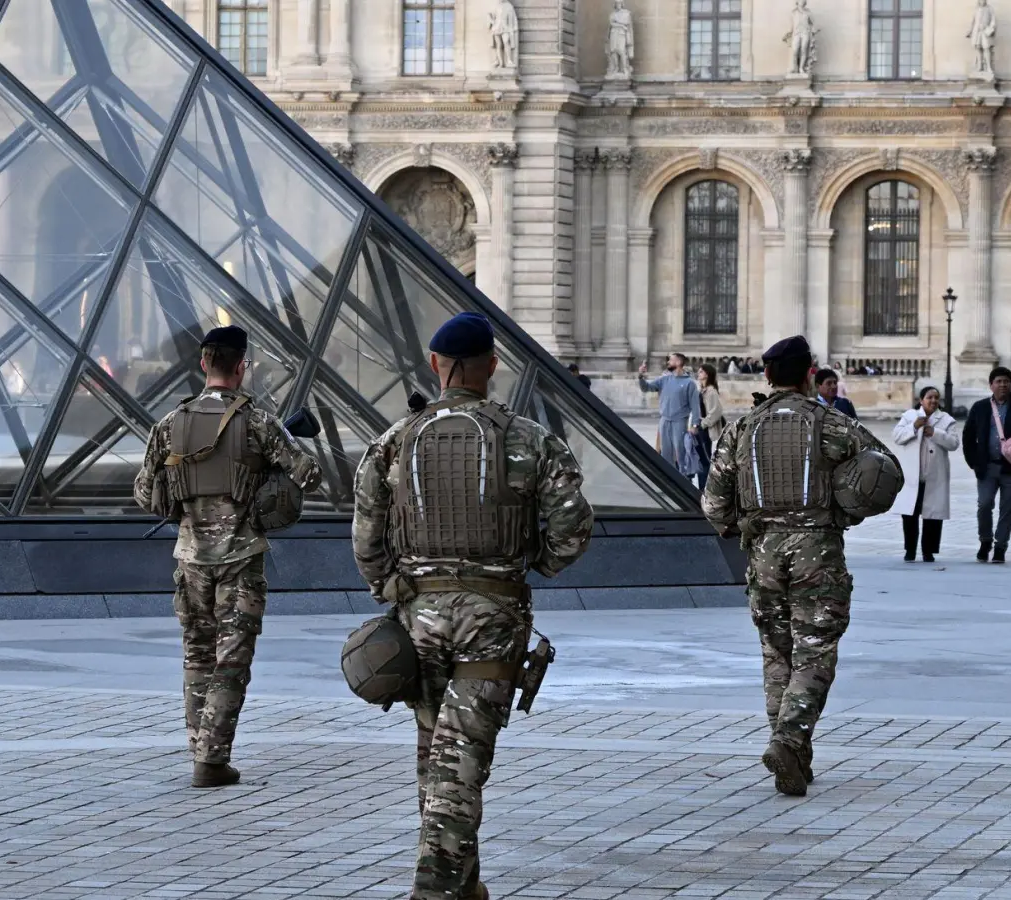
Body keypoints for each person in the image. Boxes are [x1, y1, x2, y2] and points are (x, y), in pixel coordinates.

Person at [352, 312, 594, 900]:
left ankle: (462, 882)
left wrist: (392, 589)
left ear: (435, 365)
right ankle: (436, 884)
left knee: (436, 749)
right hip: (492, 617)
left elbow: (366, 538)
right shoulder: (528, 438)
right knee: (461, 753)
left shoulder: (394, 441)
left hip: (419, 618)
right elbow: (572, 527)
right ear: (492, 365)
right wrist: (534, 564)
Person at [702, 335, 898, 797]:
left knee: (777, 653)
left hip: (764, 553)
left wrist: (740, 527)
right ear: (810, 373)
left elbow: (713, 505)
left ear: (767, 375)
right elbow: (886, 470)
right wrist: (845, 504)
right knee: (815, 651)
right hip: (818, 551)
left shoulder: (741, 429)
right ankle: (789, 742)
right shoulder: (832, 423)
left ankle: (792, 754)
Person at [133, 325, 322, 788]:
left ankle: (200, 749)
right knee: (230, 660)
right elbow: (310, 475)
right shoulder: (258, 423)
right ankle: (212, 759)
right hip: (241, 558)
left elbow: (143, 493)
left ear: (203, 363)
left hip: (190, 559)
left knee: (197, 655)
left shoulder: (170, 424)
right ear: (241, 367)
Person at [891, 387, 960, 563]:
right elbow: (897, 436)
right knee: (910, 515)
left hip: (934, 476)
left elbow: (953, 443)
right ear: (921, 400)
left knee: (933, 516)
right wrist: (914, 427)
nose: (933, 401)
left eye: (936, 398)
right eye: (929, 397)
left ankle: (929, 551)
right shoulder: (909, 416)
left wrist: (935, 433)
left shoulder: (946, 420)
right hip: (912, 477)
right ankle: (910, 550)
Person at [962, 366, 1011, 564]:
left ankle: (1000, 547)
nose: (1003, 385)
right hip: (987, 467)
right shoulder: (980, 407)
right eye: (999, 381)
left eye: (1006, 381)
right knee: (984, 504)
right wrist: (973, 462)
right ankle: (985, 540)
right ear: (991, 385)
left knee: (1007, 509)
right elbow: (968, 436)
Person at [638, 352, 701, 473]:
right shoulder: (664, 379)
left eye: (671, 360)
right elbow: (646, 388)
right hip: (664, 421)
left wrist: (695, 425)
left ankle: (683, 478)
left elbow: (695, 406)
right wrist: (641, 376)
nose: (668, 362)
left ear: (678, 362)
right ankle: (667, 478)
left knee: (681, 453)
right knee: (665, 453)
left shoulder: (689, 383)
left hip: (680, 422)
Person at [695, 364, 726, 492]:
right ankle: (703, 487)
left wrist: (702, 424)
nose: (698, 373)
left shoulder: (711, 391)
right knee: (701, 459)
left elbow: (716, 411)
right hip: (700, 429)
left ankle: (705, 489)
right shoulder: (703, 390)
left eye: (701, 371)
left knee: (705, 460)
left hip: (705, 431)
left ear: (707, 374)